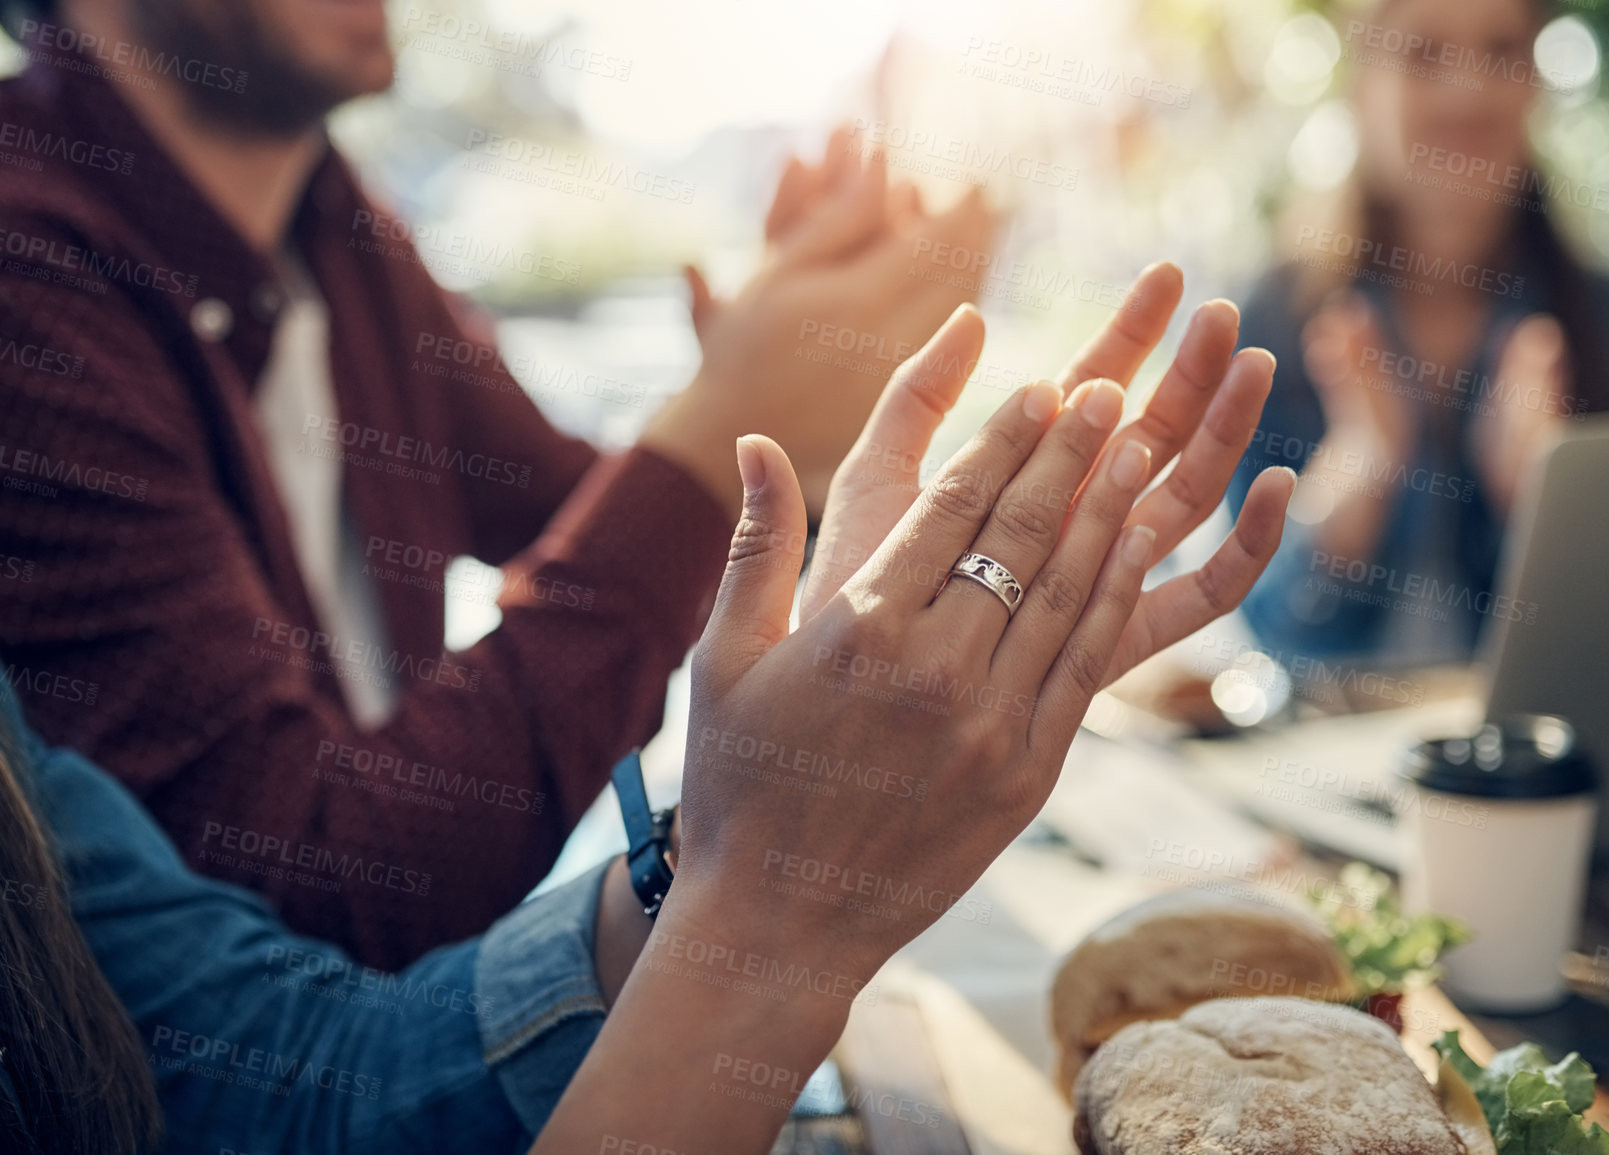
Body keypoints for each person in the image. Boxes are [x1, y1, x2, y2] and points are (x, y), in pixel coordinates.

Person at [1, 287, 1298, 1154]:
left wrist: (721, 840)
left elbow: (288, 1070)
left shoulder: (341, 236)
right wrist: (772, 909)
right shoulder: (42, 294)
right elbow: (338, 869)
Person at [0, 0, 993, 969]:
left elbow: (568, 510)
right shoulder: (28, 272)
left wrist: (785, 428)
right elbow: (320, 889)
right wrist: (714, 431)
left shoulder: (339, 235)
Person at [1226, 0, 1609, 666]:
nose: (1468, 92)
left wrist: (1549, 507)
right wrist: (1356, 477)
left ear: (1534, 84)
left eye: (1500, 52)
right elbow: (1255, 620)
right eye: (1425, 53)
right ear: (1361, 86)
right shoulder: (1269, 320)